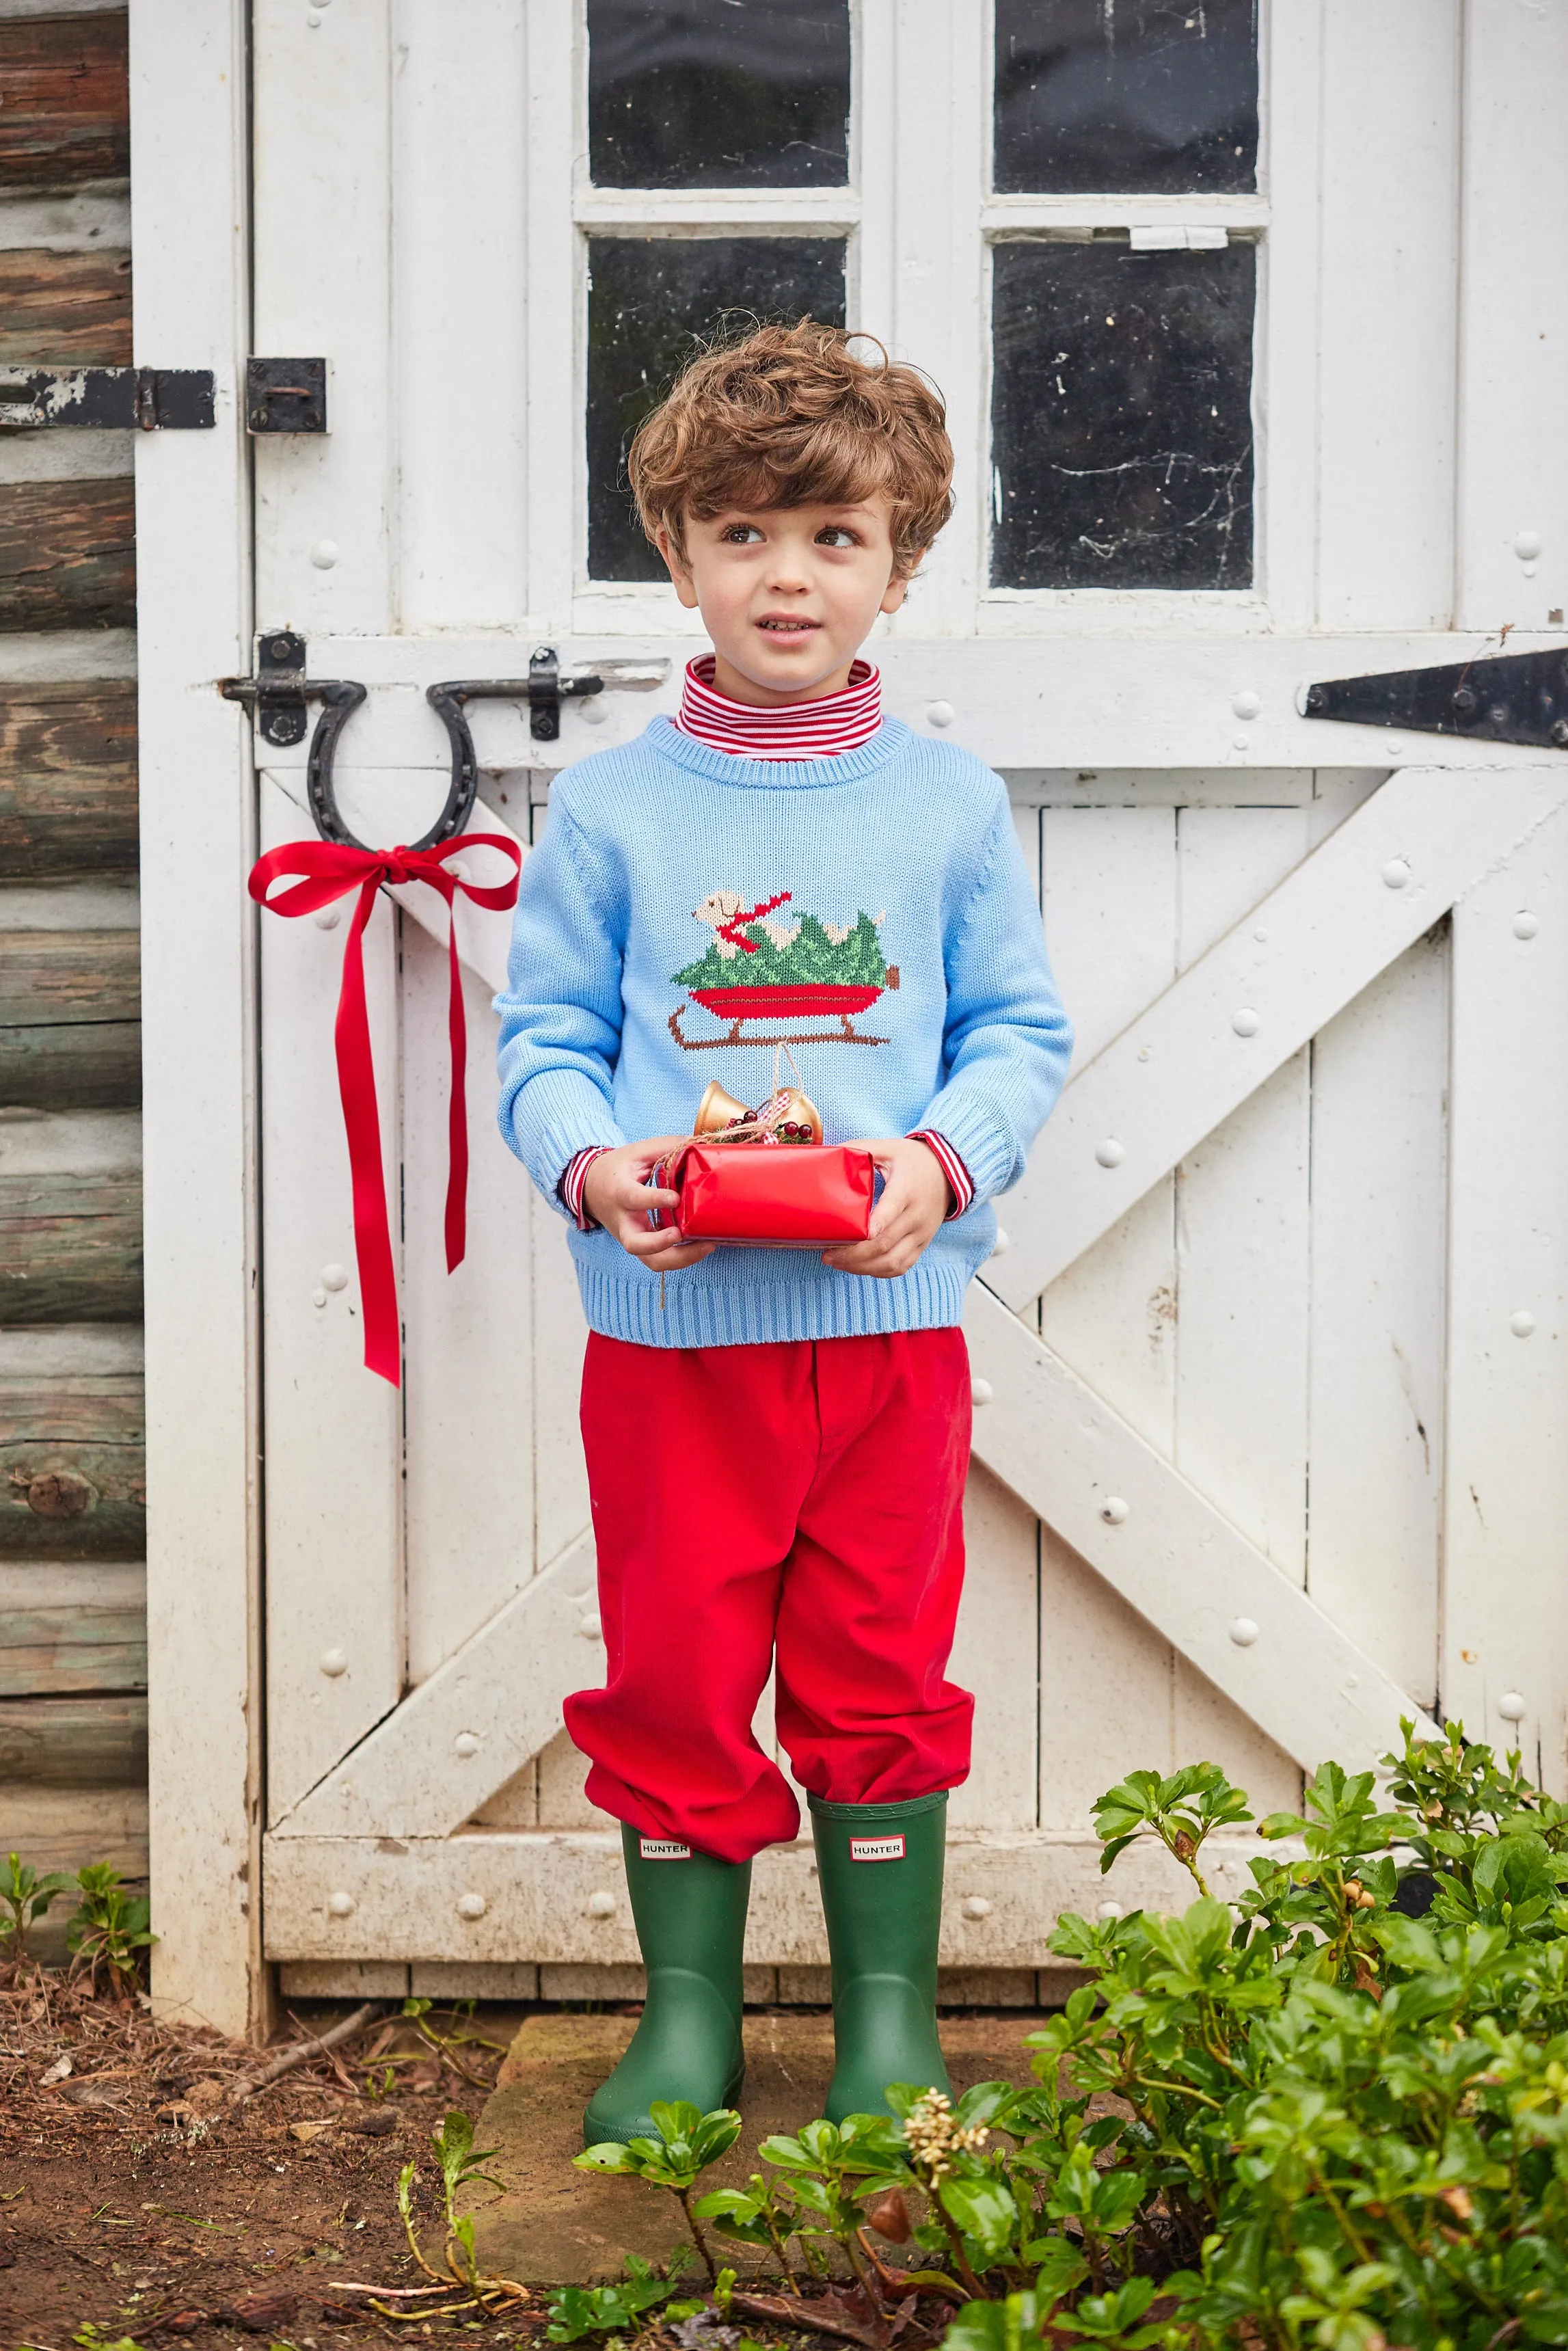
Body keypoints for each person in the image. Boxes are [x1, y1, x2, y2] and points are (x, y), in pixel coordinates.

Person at [495, 321, 1072, 2145]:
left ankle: (882, 2019)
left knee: (877, 1670)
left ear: (900, 561)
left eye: (833, 536)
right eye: (743, 533)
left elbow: (1015, 1032)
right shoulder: (608, 810)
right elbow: (543, 1047)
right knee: (672, 1669)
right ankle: (688, 2022)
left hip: (882, 1338)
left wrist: (942, 1162)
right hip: (671, 1346)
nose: (787, 573)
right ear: (674, 553)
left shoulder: (942, 806)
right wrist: (597, 1172)